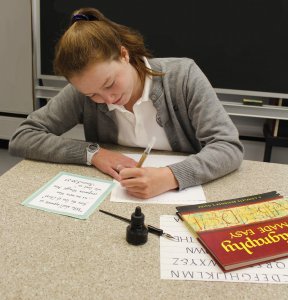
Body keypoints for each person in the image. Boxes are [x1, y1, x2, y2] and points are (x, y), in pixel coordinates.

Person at [9, 7, 244, 199]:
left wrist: (170, 176)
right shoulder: (83, 91)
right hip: (116, 201)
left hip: (184, 197)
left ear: (124, 54)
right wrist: (93, 153)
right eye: (93, 96)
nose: (107, 99)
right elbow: (23, 137)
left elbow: (228, 146)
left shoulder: (184, 76)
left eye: (110, 83)